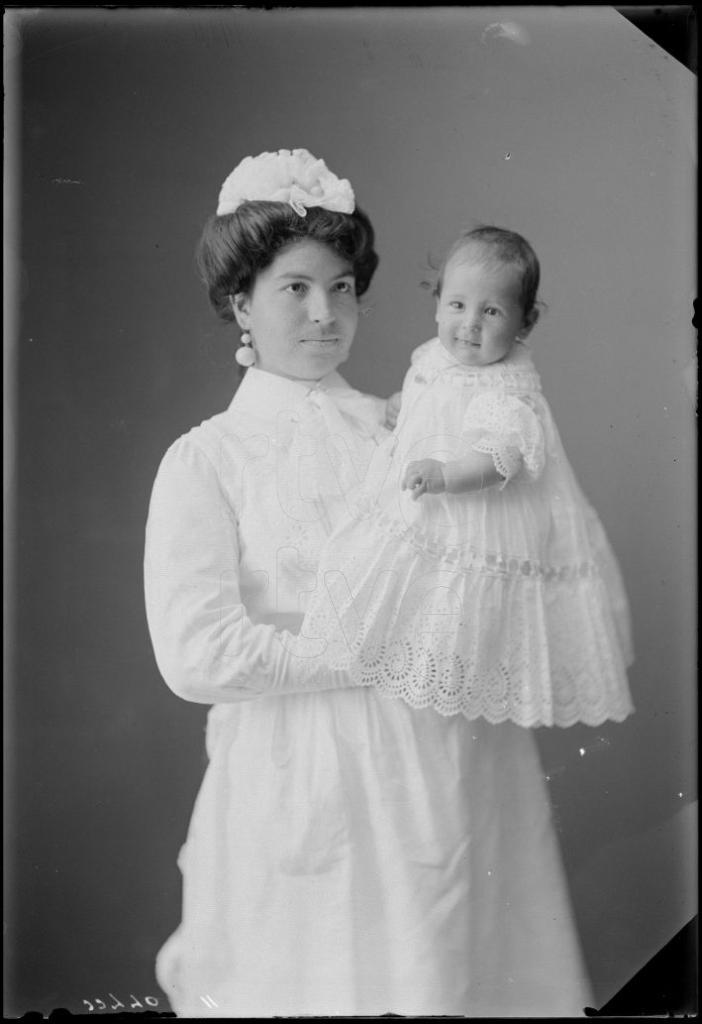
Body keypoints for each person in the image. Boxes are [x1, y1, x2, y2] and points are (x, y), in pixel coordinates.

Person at [145, 151, 595, 1017]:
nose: (326, 314)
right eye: (295, 289)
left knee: (453, 985)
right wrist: (372, 652)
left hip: (445, 777)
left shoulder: (413, 430)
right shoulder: (208, 461)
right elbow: (198, 653)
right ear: (241, 302)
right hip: (300, 783)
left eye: (343, 288)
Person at [295, 226, 635, 730]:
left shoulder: (508, 391)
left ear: (526, 323)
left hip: (474, 514)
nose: (469, 325)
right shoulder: (435, 356)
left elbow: (499, 461)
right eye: (457, 305)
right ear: (437, 305)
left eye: (491, 312)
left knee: (453, 610)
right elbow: (429, 396)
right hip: (428, 501)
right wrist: (402, 409)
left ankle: (441, 683)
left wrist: (446, 475)